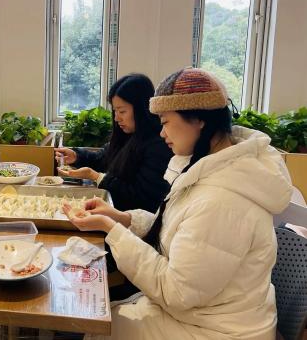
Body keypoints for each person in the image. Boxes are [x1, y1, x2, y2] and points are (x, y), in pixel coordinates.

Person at [64, 67, 293, 340]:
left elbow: (176, 292)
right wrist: (120, 218)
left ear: (198, 120)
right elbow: (179, 230)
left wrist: (111, 229)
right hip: (200, 314)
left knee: (89, 323)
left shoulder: (223, 200)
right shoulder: (211, 168)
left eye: (165, 122)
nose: (162, 133)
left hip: (215, 330)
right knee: (89, 316)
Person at [57, 73, 172, 213]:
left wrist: (96, 177)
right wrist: (77, 156)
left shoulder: (158, 145)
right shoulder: (126, 134)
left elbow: (142, 199)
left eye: (122, 111)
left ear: (142, 109)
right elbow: (102, 158)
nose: (117, 118)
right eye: (115, 111)